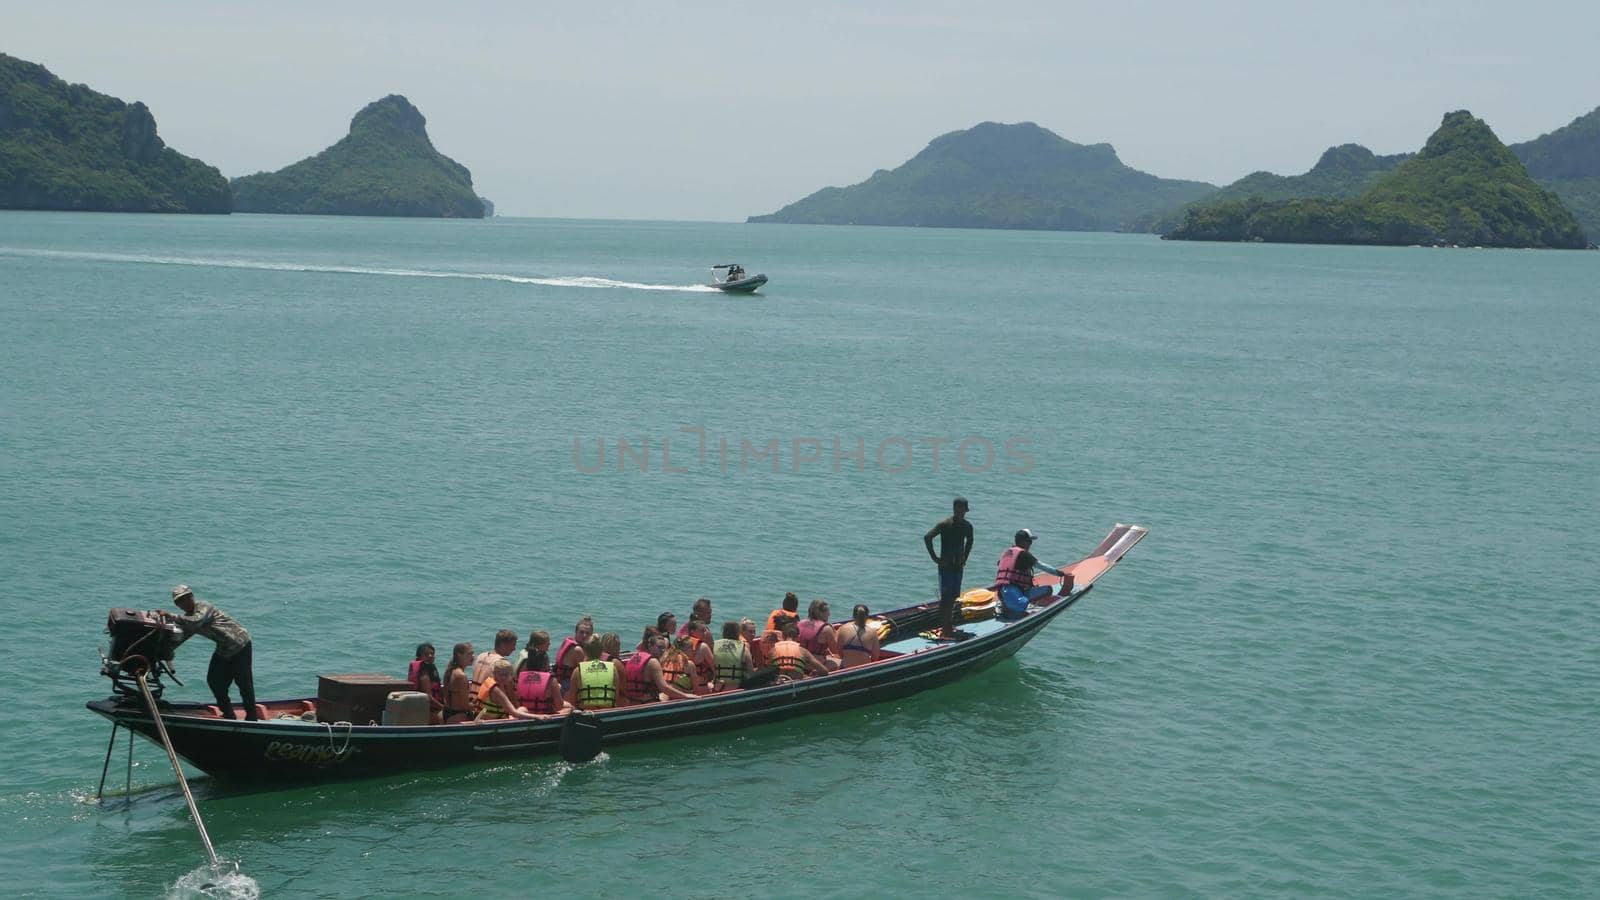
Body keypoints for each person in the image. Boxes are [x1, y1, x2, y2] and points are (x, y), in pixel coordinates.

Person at [161, 585, 257, 721]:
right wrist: (165, 652)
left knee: (243, 682)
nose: (184, 602)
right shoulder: (187, 618)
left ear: (192, 596)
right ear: (177, 604)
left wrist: (171, 616)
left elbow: (196, 621)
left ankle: (252, 717)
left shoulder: (204, 606)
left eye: (187, 597)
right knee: (214, 681)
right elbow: (182, 636)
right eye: (180, 601)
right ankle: (229, 714)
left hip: (240, 644)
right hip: (223, 648)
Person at [993, 528, 1072, 620]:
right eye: (1029, 541)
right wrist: (1060, 573)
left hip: (1002, 594)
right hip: (1014, 594)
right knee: (1041, 594)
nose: (1031, 544)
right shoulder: (1024, 554)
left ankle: (1007, 606)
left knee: (1044, 590)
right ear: (1023, 541)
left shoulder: (1007, 553)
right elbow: (1042, 566)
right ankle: (1016, 608)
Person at [925, 497, 974, 639]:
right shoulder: (945, 524)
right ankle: (945, 629)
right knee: (946, 598)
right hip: (946, 566)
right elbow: (928, 537)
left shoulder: (967, 526)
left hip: (958, 566)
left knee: (953, 598)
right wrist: (935, 558)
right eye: (957, 508)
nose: (960, 511)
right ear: (954, 508)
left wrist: (965, 557)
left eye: (962, 509)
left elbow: (970, 542)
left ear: (965, 510)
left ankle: (948, 626)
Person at [622, 631, 698, 704]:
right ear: (650, 646)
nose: (662, 651)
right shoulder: (653, 662)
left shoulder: (634, 658)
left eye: (664, 648)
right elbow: (664, 688)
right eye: (659, 647)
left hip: (632, 702)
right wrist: (686, 696)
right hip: (648, 703)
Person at [515, 640, 566, 716]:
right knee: (570, 708)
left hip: (525, 713)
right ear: (545, 664)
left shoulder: (520, 678)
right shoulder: (551, 680)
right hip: (544, 714)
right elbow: (559, 706)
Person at [554, 616, 596, 690]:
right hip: (566, 685)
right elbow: (588, 673)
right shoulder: (577, 650)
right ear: (576, 633)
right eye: (581, 632)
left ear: (591, 635)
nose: (584, 635)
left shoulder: (577, 646)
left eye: (587, 633)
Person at [797, 599, 839, 670]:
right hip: (816, 666)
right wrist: (835, 634)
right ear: (821, 613)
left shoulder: (800, 623)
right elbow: (836, 651)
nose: (829, 614)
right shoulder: (826, 629)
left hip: (800, 663)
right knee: (838, 663)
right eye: (827, 611)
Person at [835, 604, 881, 669]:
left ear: (853, 615)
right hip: (864, 669)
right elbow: (875, 656)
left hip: (845, 668)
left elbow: (839, 652)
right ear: (867, 616)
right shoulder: (872, 632)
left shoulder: (843, 628)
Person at [409, 643, 445, 724]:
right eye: (426, 654)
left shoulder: (430, 669)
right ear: (419, 657)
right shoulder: (423, 673)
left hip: (432, 709)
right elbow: (428, 697)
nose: (430, 656)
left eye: (432, 654)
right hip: (427, 712)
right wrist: (444, 709)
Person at [712, 621, 753, 690]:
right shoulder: (743, 648)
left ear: (723, 633)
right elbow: (751, 672)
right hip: (737, 687)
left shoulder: (714, 645)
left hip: (717, 687)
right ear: (738, 633)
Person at [442, 642, 476, 723]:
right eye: (469, 654)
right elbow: (465, 706)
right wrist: (478, 705)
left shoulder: (450, 670)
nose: (473, 656)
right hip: (458, 716)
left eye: (473, 653)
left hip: (447, 712)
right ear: (459, 655)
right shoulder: (461, 676)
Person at [688, 621, 717, 688]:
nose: (705, 633)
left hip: (683, 684)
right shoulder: (703, 647)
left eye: (705, 630)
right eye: (702, 631)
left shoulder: (681, 644)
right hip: (699, 684)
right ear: (692, 631)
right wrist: (712, 682)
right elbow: (715, 669)